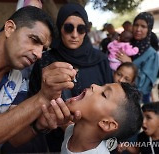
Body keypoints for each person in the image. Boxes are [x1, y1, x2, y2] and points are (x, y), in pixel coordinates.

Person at [0, 6, 81, 153]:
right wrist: (43, 97)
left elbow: (13, 137)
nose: (39, 54)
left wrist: (39, 125)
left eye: (43, 49)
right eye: (34, 40)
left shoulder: (18, 77)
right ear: (9, 28)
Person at [28, 3, 113, 152]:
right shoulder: (45, 60)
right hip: (54, 139)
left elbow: (111, 102)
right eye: (68, 28)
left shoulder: (100, 60)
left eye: (81, 29)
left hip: (93, 142)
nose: (75, 34)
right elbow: (34, 100)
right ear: (60, 27)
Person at [60, 82, 143, 154]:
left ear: (106, 124)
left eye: (104, 94)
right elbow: (66, 124)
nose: (94, 85)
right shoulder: (72, 131)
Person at [116, 12, 159, 103]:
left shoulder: (152, 54)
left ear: (149, 29)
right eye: (136, 25)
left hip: (136, 101)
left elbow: (144, 85)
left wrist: (131, 64)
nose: (138, 29)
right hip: (116, 94)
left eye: (143, 26)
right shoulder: (126, 45)